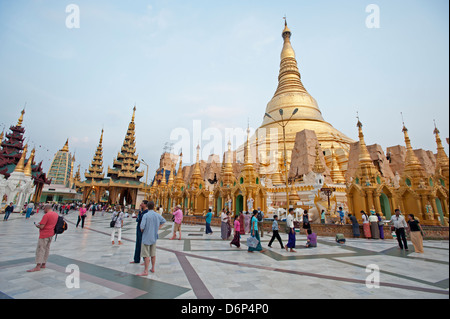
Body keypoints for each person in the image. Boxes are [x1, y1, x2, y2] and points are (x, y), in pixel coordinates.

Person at [137, 201, 166, 276]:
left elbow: (142, 227)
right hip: (154, 236)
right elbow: (164, 221)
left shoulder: (146, 215)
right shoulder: (157, 215)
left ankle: (145, 271)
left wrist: (143, 230)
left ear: (147, 206)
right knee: (153, 254)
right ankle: (153, 268)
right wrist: (158, 228)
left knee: (146, 255)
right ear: (153, 207)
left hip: (146, 237)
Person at [27, 204, 59, 272]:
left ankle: (38, 265)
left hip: (44, 234)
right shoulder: (55, 214)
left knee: (41, 249)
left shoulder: (46, 215)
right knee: (47, 248)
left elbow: (42, 226)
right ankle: (44, 263)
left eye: (44, 209)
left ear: (46, 209)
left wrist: (37, 225)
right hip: (51, 234)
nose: (44, 210)